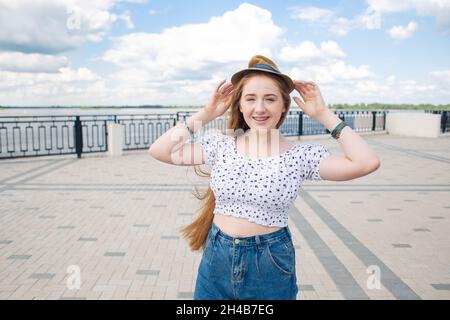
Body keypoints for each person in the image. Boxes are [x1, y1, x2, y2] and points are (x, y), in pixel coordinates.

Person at [148, 55, 380, 300]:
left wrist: (323, 115)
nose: (259, 108)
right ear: (239, 105)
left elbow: (367, 162)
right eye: (250, 99)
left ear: (283, 106)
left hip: (269, 264)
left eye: (270, 99)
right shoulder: (222, 144)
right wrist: (206, 114)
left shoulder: (300, 156)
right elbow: (160, 150)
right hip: (216, 258)